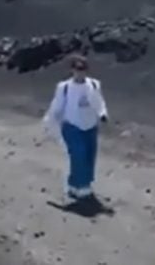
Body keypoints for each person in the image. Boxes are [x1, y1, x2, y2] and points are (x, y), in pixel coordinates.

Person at [42, 54, 109, 202]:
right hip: (72, 126)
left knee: (89, 156)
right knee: (78, 155)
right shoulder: (64, 87)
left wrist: (102, 113)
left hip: (90, 126)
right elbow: (57, 106)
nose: (80, 72)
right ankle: (76, 185)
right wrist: (50, 121)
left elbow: (99, 101)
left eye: (83, 69)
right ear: (72, 70)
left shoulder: (93, 85)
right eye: (78, 69)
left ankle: (83, 184)